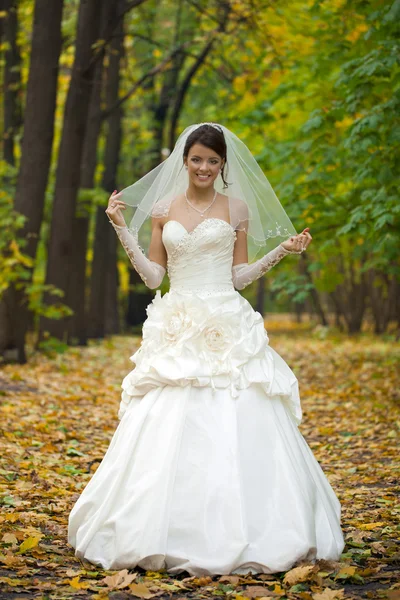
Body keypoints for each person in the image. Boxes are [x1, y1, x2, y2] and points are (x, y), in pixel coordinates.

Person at [68, 123, 345, 575]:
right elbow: (154, 278)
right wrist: (121, 227)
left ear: (222, 165)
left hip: (225, 319)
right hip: (178, 323)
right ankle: (153, 526)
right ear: (185, 160)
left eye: (212, 161)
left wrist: (280, 251)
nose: (203, 167)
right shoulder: (162, 209)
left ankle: (255, 525)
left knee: (239, 409)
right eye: (196, 159)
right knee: (166, 416)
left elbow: (237, 277)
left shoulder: (236, 209)